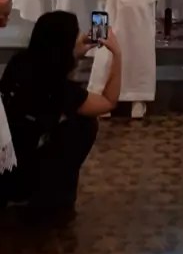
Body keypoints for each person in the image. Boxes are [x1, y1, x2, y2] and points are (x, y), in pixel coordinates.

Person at [0, 11, 121, 212]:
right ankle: (52, 197)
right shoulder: (59, 88)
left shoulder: (19, 62)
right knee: (85, 124)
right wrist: (117, 54)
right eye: (76, 34)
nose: (81, 35)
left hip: (4, 167)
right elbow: (108, 102)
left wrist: (75, 53)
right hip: (19, 178)